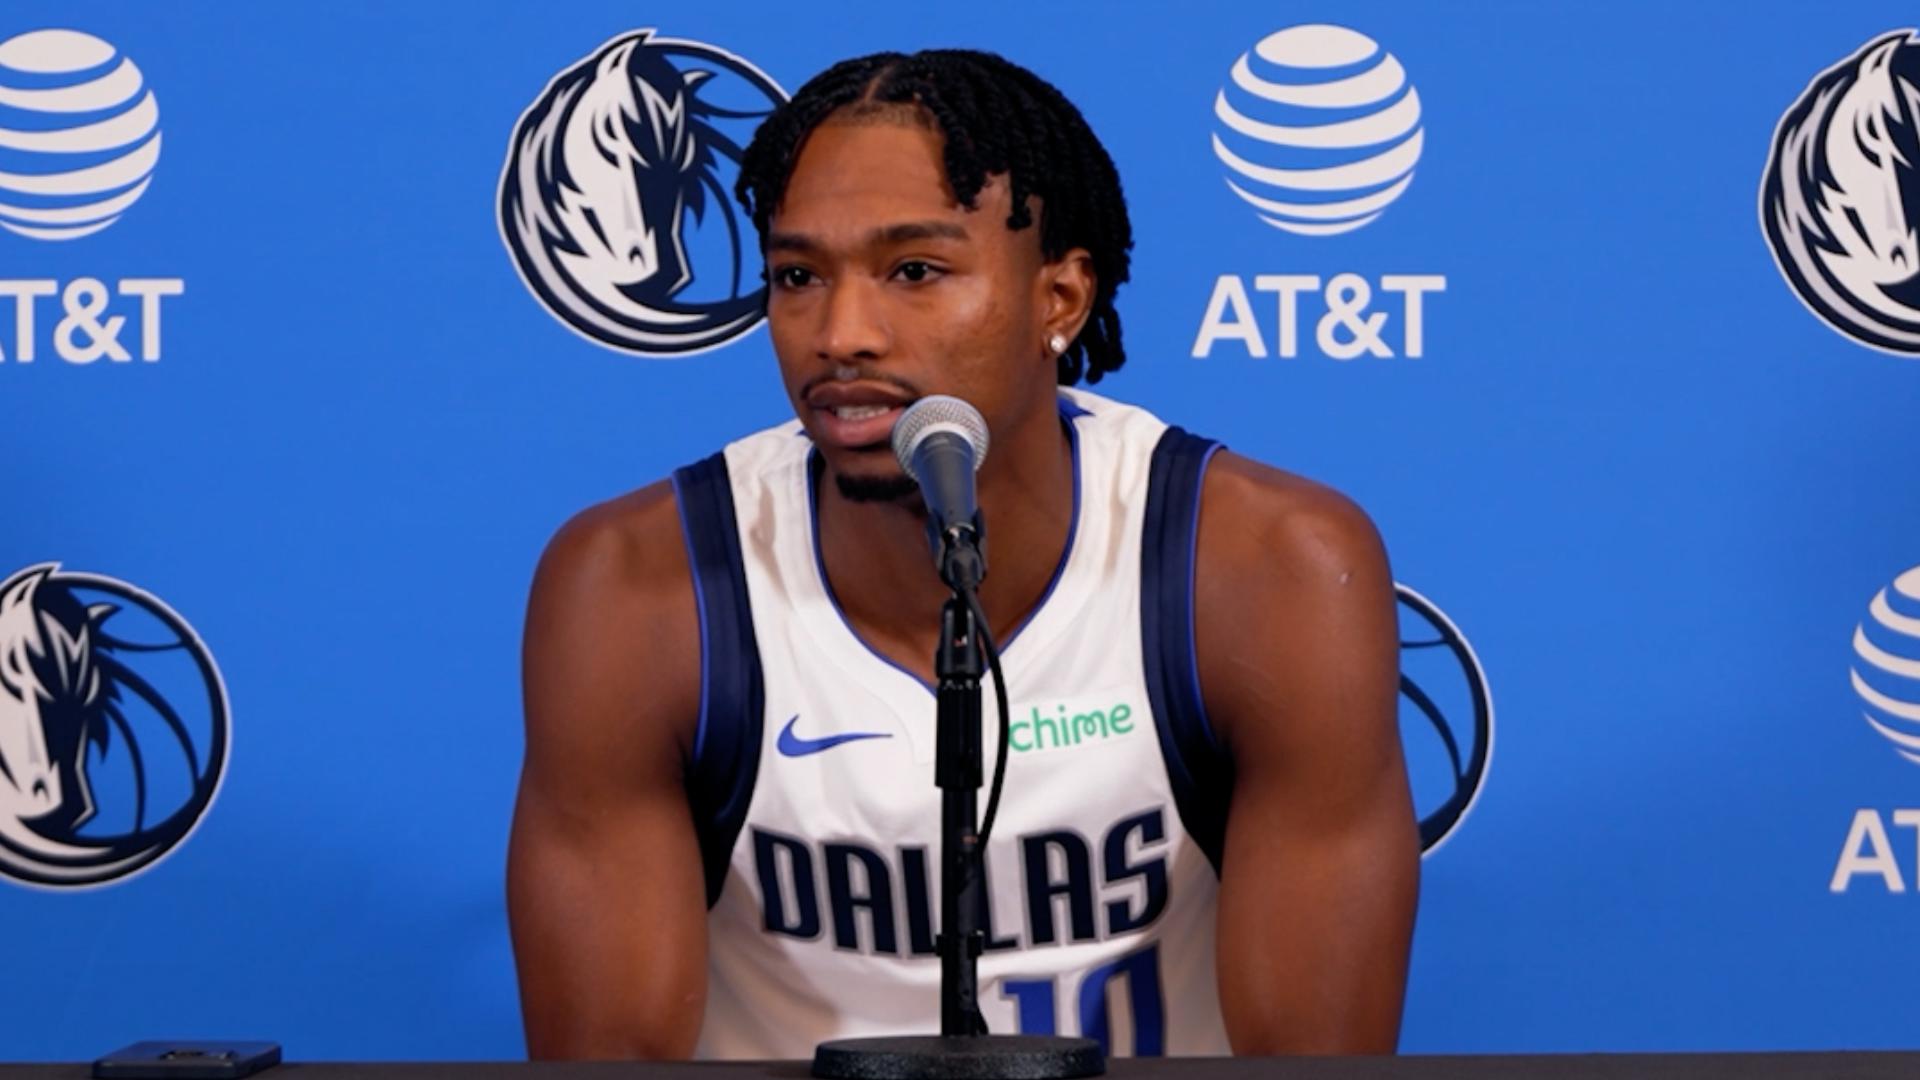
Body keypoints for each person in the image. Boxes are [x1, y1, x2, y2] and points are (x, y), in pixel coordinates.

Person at [508, 48, 1419, 1061]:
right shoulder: (640, 587)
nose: (840, 332)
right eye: (798, 277)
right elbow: (608, 1068)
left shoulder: (1264, 568)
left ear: (1060, 300)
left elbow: (1312, 1064)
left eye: (915, 271)